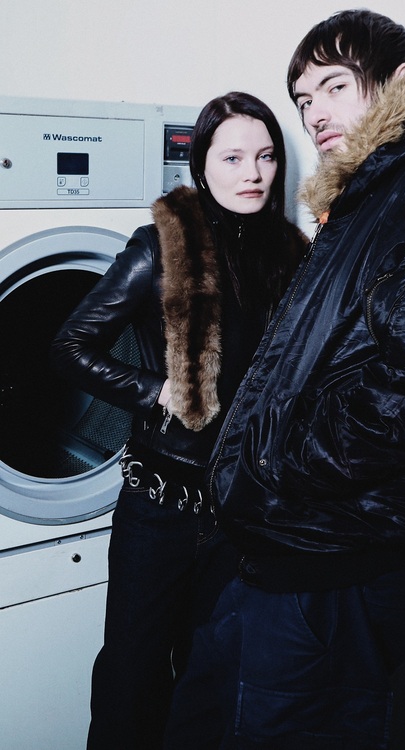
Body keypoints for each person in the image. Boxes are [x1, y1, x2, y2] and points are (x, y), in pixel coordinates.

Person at [164, 9, 405, 749]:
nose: (316, 113)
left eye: (334, 86)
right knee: (211, 713)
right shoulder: (372, 192)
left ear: (399, 81)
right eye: (304, 99)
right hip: (299, 540)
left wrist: (275, 461)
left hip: (343, 548)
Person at [51, 91, 305, 750]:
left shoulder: (289, 253)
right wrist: (155, 390)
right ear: (202, 165)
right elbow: (69, 346)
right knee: (131, 680)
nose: (253, 173)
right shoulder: (161, 248)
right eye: (233, 158)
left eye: (267, 157)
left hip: (239, 509)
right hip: (159, 508)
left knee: (212, 680)